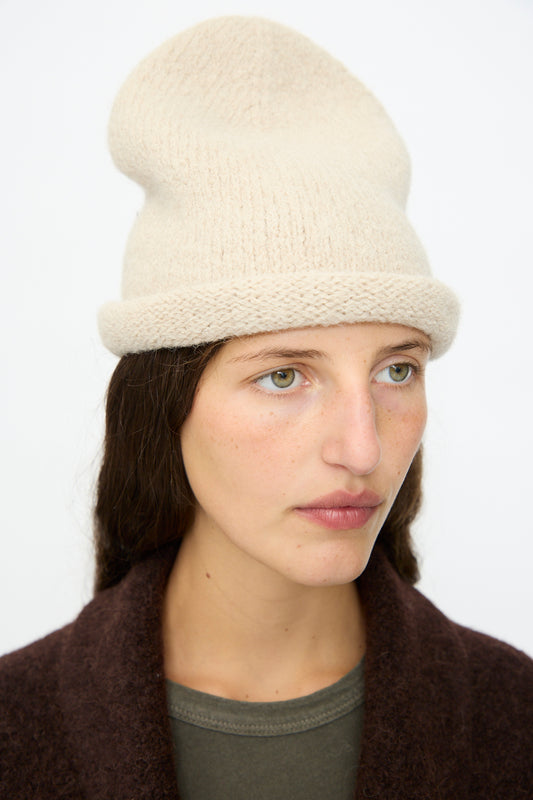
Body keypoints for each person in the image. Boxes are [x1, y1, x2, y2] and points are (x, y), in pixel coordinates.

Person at [0, 16, 531, 800]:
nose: (361, 449)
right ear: (163, 406)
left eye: (395, 369)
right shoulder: (18, 725)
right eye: (284, 376)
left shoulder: (512, 718)